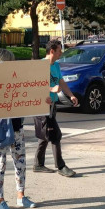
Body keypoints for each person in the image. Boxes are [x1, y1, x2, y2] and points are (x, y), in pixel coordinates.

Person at [0, 49, 36, 209]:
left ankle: (21, 196)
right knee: (0, 164)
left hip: (16, 126)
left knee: (20, 163)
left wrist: (42, 99)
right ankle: (0, 200)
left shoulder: (16, 78)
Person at [33, 39, 79, 177]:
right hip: (42, 106)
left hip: (52, 105)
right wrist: (51, 89)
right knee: (55, 135)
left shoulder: (56, 66)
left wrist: (71, 95)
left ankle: (38, 164)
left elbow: (61, 81)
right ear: (52, 51)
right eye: (59, 51)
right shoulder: (40, 65)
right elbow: (34, 85)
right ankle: (61, 166)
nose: (61, 53)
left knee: (45, 135)